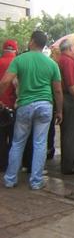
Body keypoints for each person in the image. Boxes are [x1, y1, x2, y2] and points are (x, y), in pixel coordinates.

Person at [0, 31, 63, 190]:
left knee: (18, 142)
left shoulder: (20, 60)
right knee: (40, 143)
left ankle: (10, 179)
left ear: (32, 41)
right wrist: (60, 110)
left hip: (25, 105)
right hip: (45, 105)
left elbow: (5, 81)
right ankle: (36, 181)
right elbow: (58, 91)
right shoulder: (51, 64)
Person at [58, 39, 74, 174]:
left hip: (64, 98)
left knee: (66, 132)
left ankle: (67, 163)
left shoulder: (61, 60)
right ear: (70, 48)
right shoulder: (68, 61)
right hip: (69, 99)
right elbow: (72, 86)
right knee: (70, 132)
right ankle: (69, 165)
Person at [0, 40, 18, 172]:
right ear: (15, 50)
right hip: (13, 105)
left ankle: (2, 164)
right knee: (14, 138)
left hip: (1, 104)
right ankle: (13, 165)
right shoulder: (17, 63)